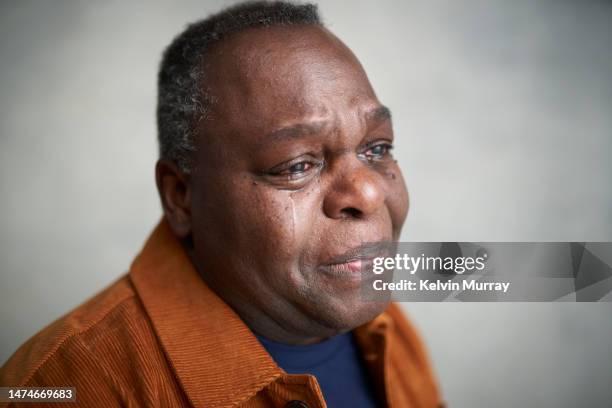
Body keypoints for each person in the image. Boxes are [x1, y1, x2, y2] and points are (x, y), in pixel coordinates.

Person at [0, 2, 442, 407]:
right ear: (181, 198)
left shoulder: (380, 324)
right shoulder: (60, 386)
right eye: (296, 166)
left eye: (377, 149)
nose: (368, 193)